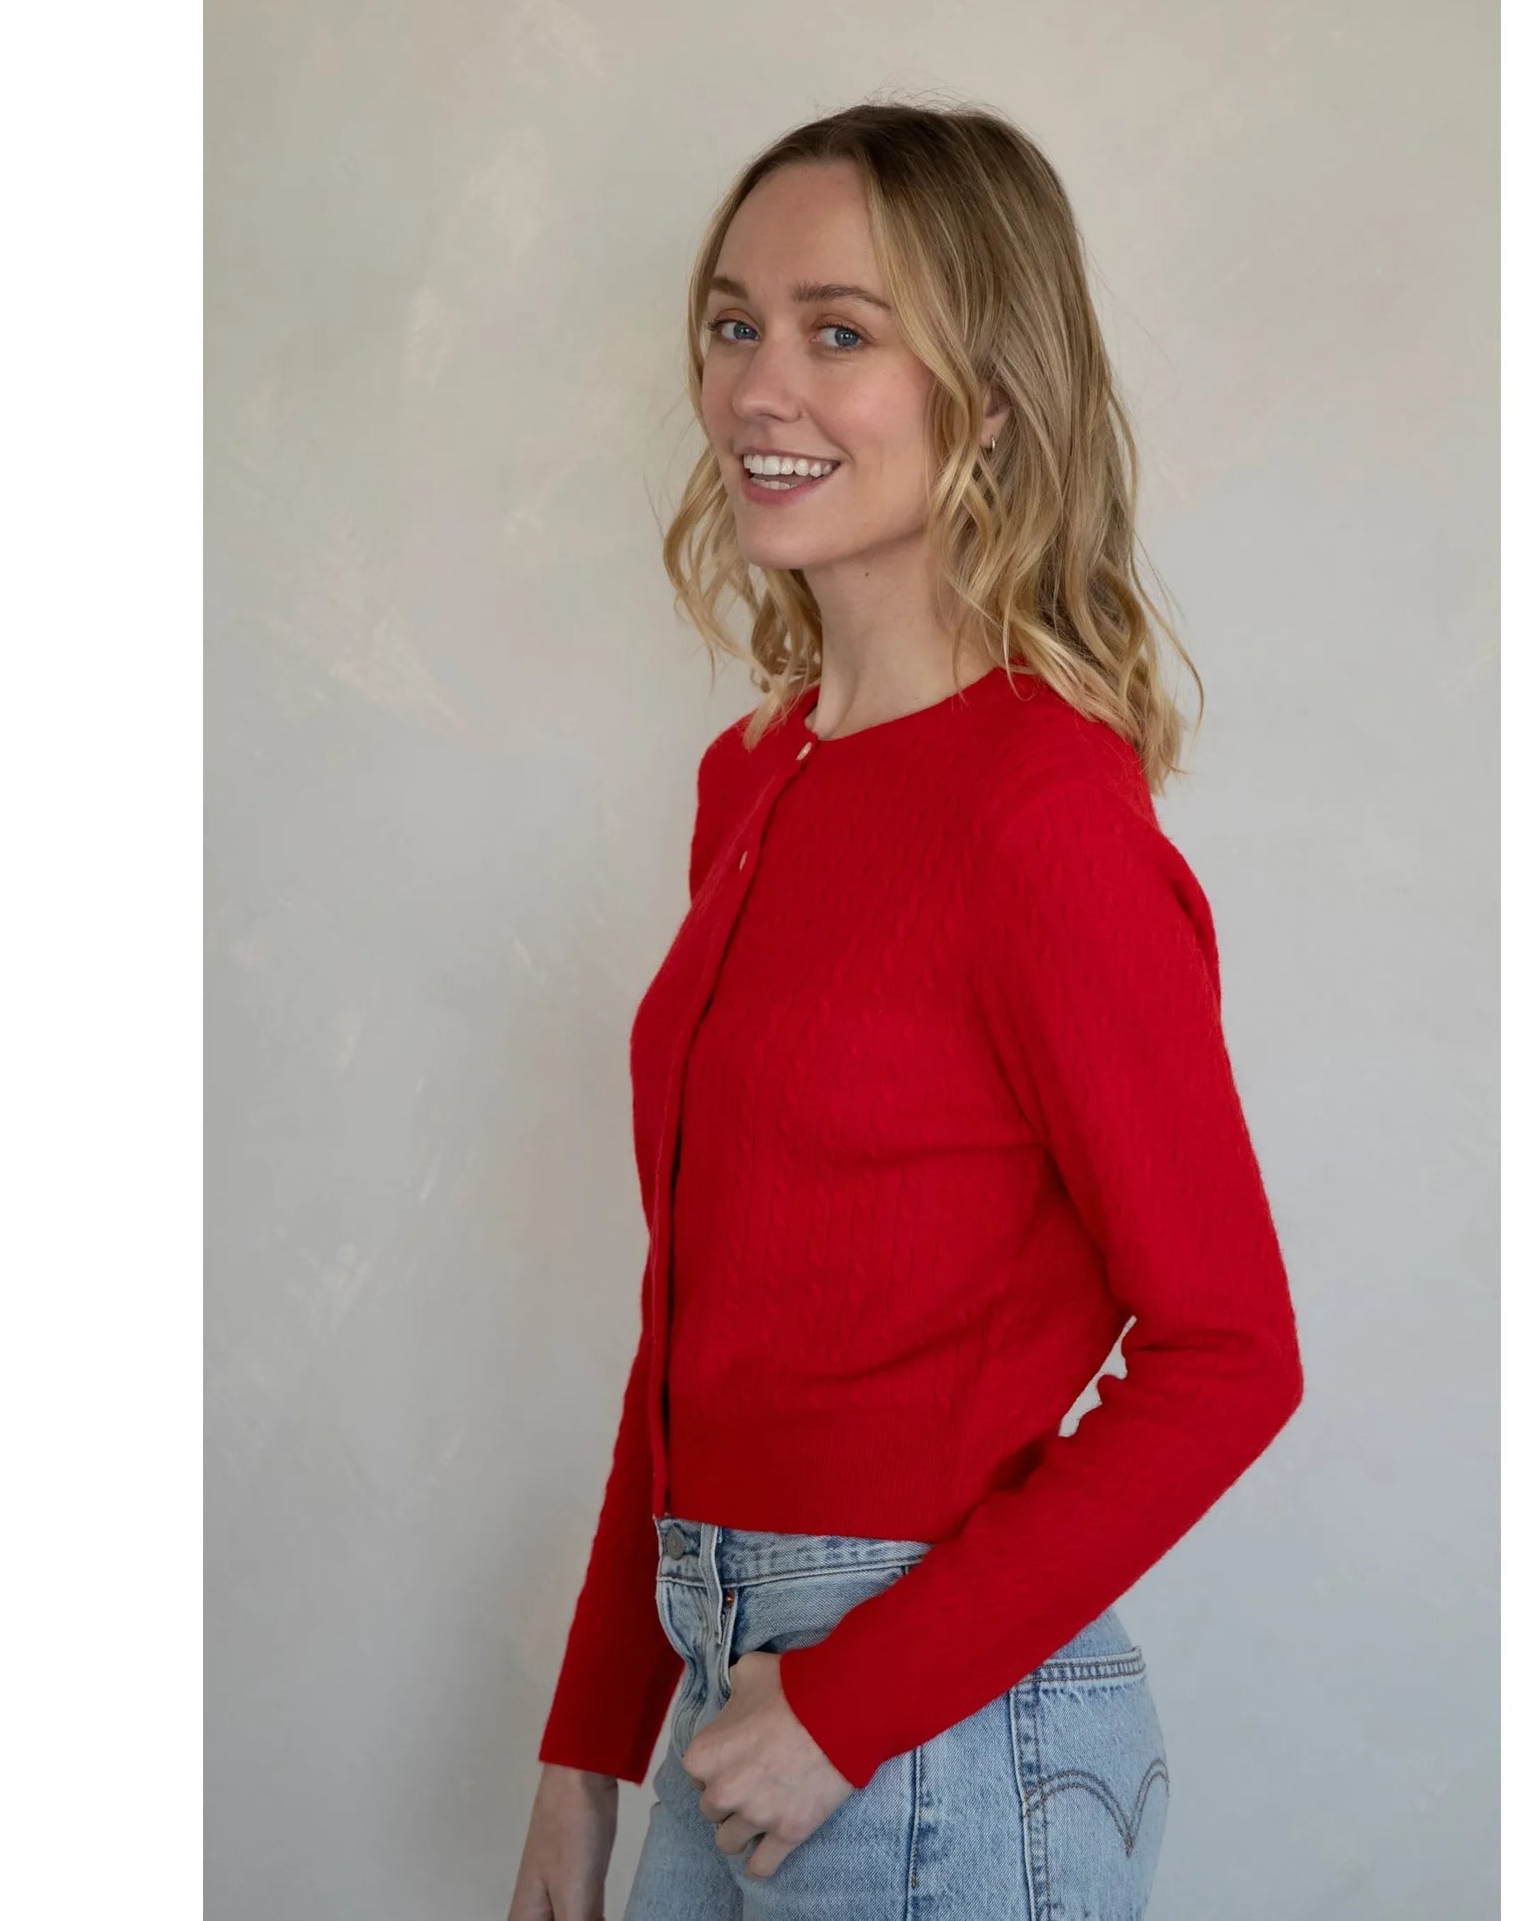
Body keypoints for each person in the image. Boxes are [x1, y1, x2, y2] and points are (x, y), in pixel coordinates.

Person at [506, 98, 1305, 1921]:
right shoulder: (755, 777)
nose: (757, 386)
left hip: (931, 1734)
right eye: (733, 323)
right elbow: (693, 1320)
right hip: (733, 1694)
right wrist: (585, 1750)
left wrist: (848, 1700)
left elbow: (1229, 1350)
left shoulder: (1039, 813)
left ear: (992, 397)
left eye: (839, 331)